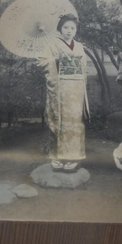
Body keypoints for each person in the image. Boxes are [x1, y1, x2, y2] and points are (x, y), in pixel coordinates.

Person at [37, 13, 89, 172]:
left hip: (76, 88)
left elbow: (84, 68)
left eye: (72, 28)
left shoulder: (79, 46)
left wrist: (77, 62)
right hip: (60, 88)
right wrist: (56, 59)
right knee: (58, 120)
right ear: (60, 29)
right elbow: (40, 62)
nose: (69, 31)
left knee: (74, 122)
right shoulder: (52, 44)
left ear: (76, 30)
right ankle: (57, 156)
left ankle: (74, 157)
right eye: (66, 27)